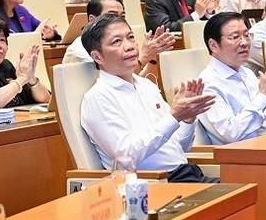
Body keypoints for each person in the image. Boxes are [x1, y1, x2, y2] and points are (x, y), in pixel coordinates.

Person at [80, 13, 217, 182]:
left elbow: (179, 147)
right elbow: (125, 157)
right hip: (155, 183)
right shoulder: (99, 98)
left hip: (187, 172)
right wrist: (173, 117)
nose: (129, 46)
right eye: (117, 41)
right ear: (97, 57)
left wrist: (188, 119)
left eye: (131, 37)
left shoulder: (146, 86)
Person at [197, 12, 266, 145]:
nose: (244, 43)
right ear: (213, 45)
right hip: (247, 152)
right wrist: (263, 97)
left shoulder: (247, 73)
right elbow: (231, 134)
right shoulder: (208, 84)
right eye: (235, 37)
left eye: (247, 35)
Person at [63, 0, 175, 79]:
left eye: (122, 16)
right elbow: (114, 83)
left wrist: (152, 59)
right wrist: (144, 57)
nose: (118, 20)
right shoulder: (80, 48)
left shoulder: (124, 42)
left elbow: (139, 81)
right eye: (111, 15)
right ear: (92, 19)